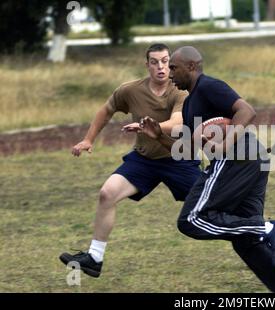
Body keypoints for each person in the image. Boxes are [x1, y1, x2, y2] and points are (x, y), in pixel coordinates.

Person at [138, 46, 275, 293]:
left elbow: (246, 110)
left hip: (238, 157)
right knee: (247, 242)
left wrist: (225, 143)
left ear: (191, 67)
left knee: (192, 219)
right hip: (252, 160)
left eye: (174, 67)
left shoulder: (210, 86)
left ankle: (267, 228)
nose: (169, 73)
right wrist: (158, 135)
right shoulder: (191, 104)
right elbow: (188, 149)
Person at [59, 43, 201, 278]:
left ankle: (264, 230)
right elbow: (107, 109)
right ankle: (94, 257)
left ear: (171, 64)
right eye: (154, 62)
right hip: (144, 160)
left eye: (165, 61)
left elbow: (178, 122)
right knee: (107, 193)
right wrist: (88, 139)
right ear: (147, 65)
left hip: (179, 159)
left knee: (211, 204)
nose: (161, 67)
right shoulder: (131, 90)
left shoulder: (180, 91)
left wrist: (150, 127)